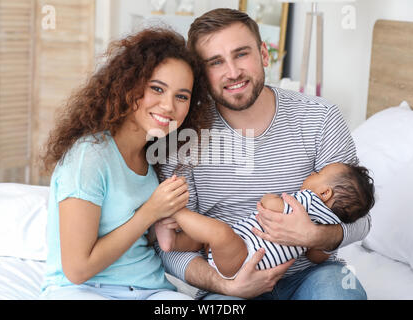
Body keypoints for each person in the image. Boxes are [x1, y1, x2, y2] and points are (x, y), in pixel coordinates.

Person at [155, 8, 371, 300]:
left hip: (313, 275)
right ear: (201, 74)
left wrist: (314, 236)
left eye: (241, 54)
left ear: (264, 55)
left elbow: (361, 219)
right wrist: (225, 286)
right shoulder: (182, 137)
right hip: (230, 282)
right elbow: (167, 246)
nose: (232, 72)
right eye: (216, 62)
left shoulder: (320, 117)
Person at [39, 27, 211, 300]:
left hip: (151, 289)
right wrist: (150, 212)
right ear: (129, 84)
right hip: (83, 290)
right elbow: (77, 269)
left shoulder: (153, 157)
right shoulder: (90, 156)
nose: (168, 106)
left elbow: (151, 239)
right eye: (157, 88)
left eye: (182, 96)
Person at [155, 163, 375, 280]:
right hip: (243, 261)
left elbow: (272, 206)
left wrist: (271, 199)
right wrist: (320, 240)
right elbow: (316, 256)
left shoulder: (308, 201)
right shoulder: (330, 220)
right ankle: (170, 242)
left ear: (325, 193)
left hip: (245, 259)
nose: (311, 174)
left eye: (317, 173)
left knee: (218, 234)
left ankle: (174, 212)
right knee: (205, 240)